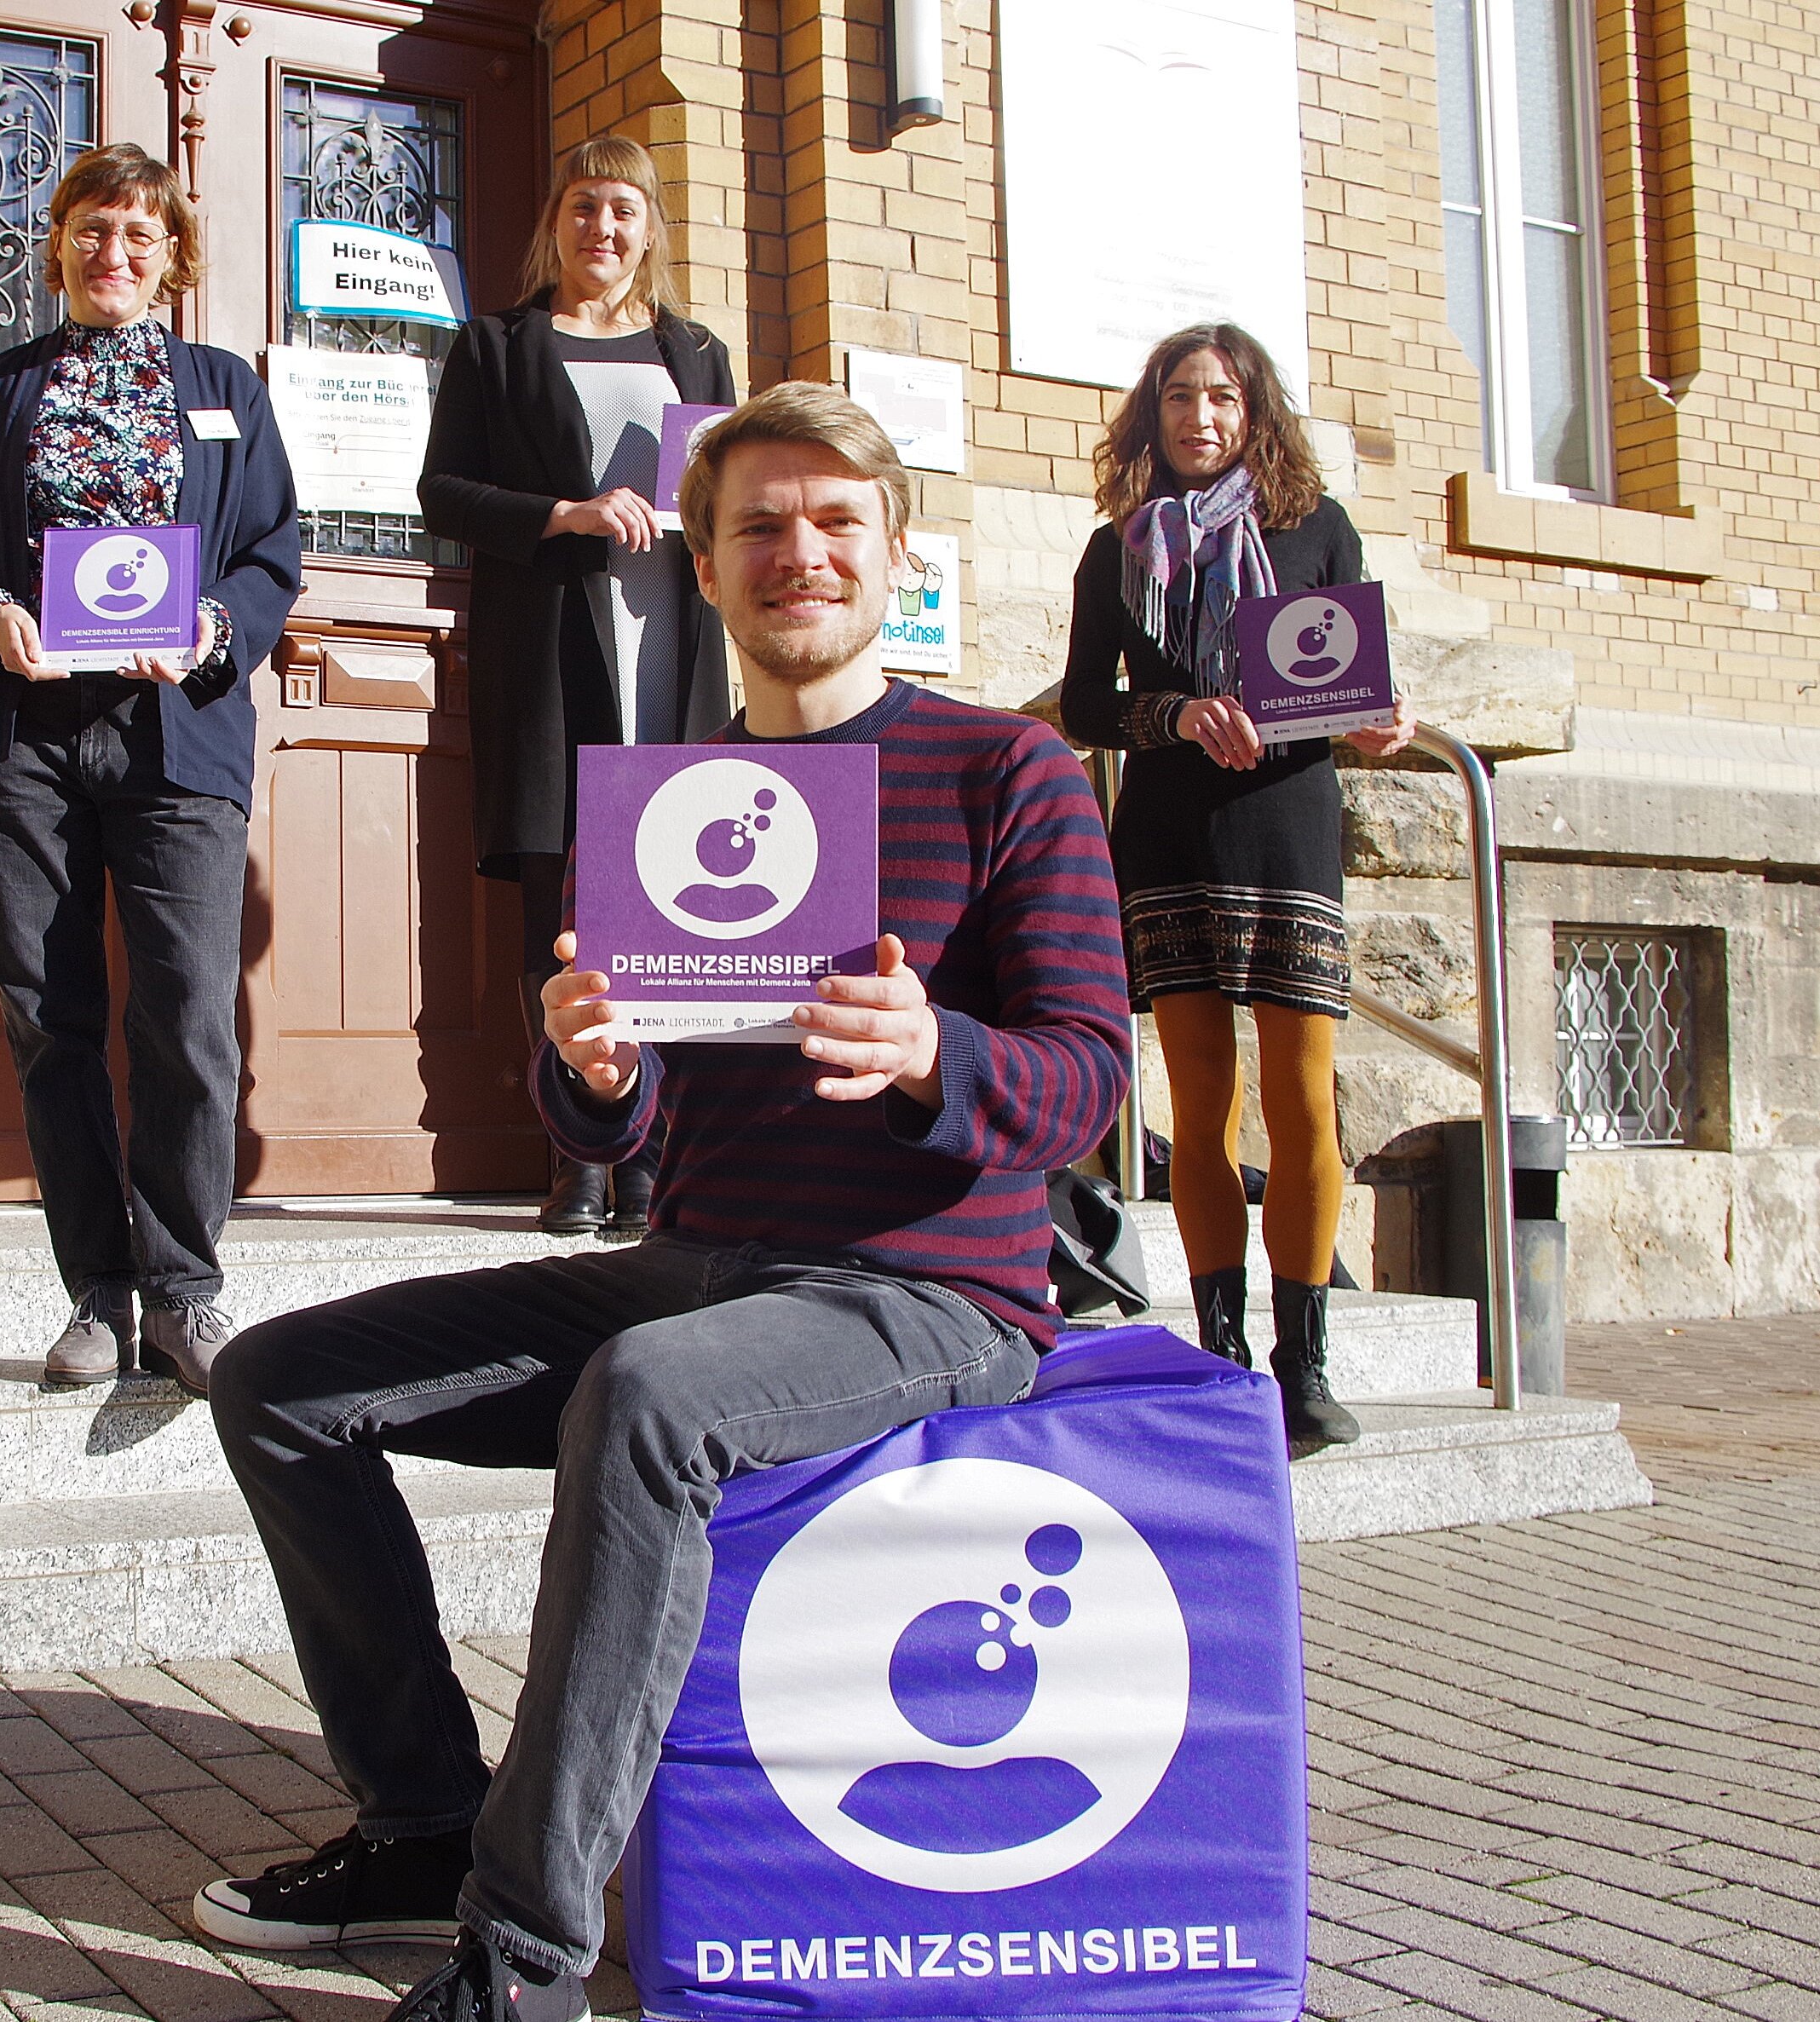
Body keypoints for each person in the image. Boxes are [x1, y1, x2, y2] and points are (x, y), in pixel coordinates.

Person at [189, 385, 1130, 2022]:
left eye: (837, 521)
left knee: (645, 1402)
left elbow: (1085, 1076)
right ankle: (420, 1819)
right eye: (759, 524)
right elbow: (618, 1122)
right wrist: (599, 1076)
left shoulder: (1009, 769)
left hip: (922, 1292)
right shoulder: (668, 800)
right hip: (692, 1263)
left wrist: (934, 1049)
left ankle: (522, 1959)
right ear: (703, 564)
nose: (799, 553)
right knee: (279, 1386)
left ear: (895, 555)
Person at [0, 144, 304, 1394]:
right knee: (49, 1017)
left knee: (189, 1011)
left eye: (140, 235)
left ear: (172, 256)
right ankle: (96, 1289)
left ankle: (185, 1286)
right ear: (60, 246)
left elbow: (271, 554)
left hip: (174, 734)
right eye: (92, 230)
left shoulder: (225, 389)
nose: (115, 253)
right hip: (23, 738)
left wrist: (213, 629)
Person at [1060, 322, 1417, 1450]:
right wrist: (1174, 712)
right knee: (1199, 1103)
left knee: (1305, 1097)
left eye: (1220, 398)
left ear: (1255, 408)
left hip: (1289, 826)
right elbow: (1083, 706)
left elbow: (1356, 679)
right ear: (1151, 413)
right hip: (1171, 833)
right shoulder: (1117, 548)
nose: (1199, 419)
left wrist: (1382, 722)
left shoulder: (1318, 531)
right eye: (1178, 398)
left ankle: (1304, 1363)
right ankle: (1220, 1357)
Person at [419, 135, 739, 1236]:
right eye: (585, 208)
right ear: (554, 222)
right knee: (557, 909)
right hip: (554, 654)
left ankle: (650, 1153)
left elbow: (728, 489)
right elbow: (444, 496)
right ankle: (579, 1155)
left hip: (675, 654)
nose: (603, 229)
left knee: (669, 905)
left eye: (624, 211)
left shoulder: (697, 353)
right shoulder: (496, 348)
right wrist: (566, 513)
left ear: (651, 230)